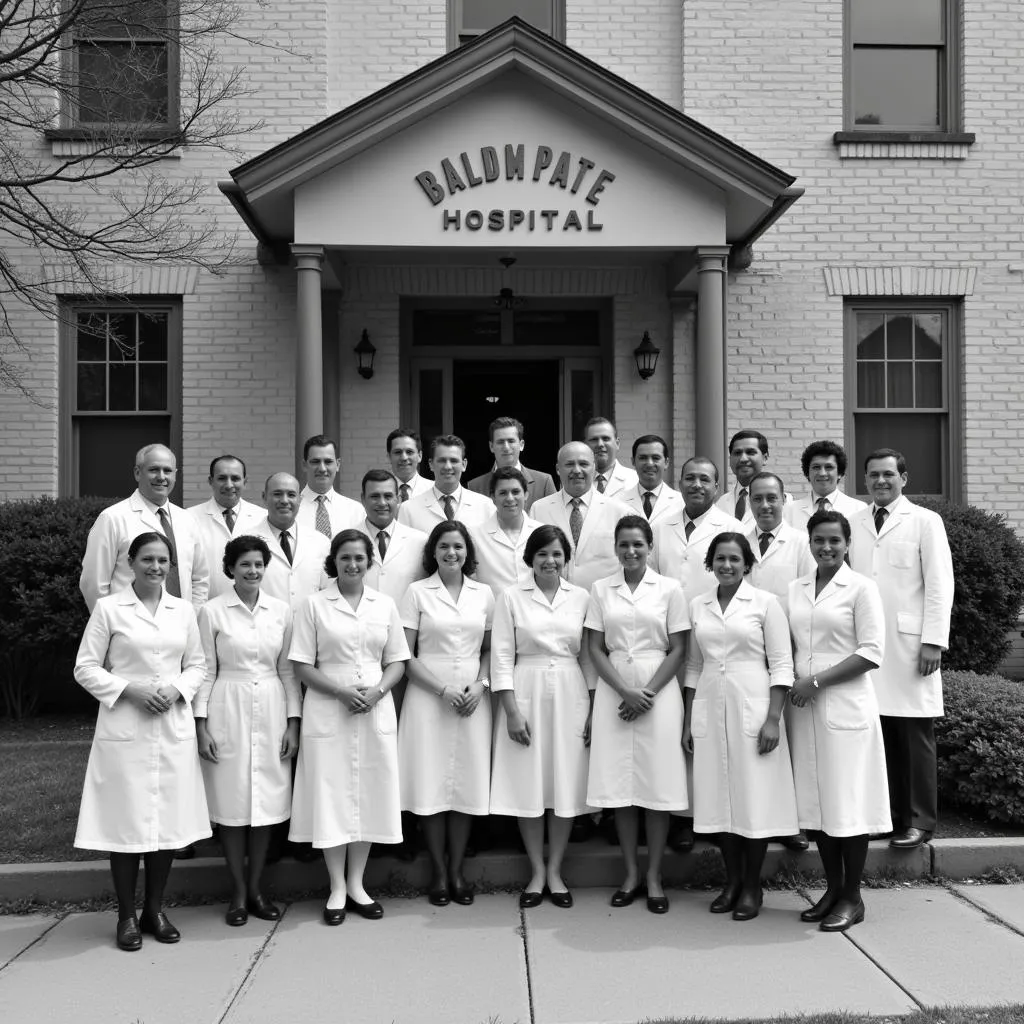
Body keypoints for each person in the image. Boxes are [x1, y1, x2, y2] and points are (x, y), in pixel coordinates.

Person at [73, 532, 209, 951]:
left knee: (167, 823)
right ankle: (126, 916)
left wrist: (178, 689)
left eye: (163, 560)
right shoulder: (110, 609)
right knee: (126, 822)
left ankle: (155, 909)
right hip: (125, 726)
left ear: (171, 565)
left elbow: (198, 664)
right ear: (130, 562)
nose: (156, 567)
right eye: (147, 559)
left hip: (171, 726)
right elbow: (85, 667)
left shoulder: (182, 610)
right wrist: (129, 690)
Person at [288, 530, 410, 925]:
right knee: (333, 794)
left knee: (369, 793)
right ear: (333, 562)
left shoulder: (384, 604)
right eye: (345, 558)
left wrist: (376, 692)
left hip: (375, 706)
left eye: (359, 557)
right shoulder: (313, 605)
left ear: (369, 561)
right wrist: (341, 692)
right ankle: (336, 886)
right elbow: (302, 664)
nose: (353, 564)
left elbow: (397, 661)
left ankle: (357, 884)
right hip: (329, 706)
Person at [682, 531, 798, 921]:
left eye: (734, 559)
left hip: (753, 701)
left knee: (753, 797)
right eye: (719, 559)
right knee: (718, 797)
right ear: (710, 564)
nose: (727, 565)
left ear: (747, 564)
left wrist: (772, 719)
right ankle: (730, 882)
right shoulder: (697, 605)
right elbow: (694, 666)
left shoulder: (766, 604)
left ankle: (752, 886)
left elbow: (782, 665)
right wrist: (688, 719)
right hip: (710, 703)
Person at [788, 510, 889, 932]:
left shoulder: (862, 588)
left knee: (847, 804)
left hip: (844, 705)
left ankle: (853, 897)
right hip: (805, 709)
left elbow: (871, 652)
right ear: (808, 543)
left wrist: (816, 680)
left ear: (848, 544)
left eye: (834, 540)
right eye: (818, 540)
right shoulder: (794, 589)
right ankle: (832, 890)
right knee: (820, 804)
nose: (826, 547)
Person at [848, 449, 953, 850]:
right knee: (879, 734)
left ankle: (919, 821)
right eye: (873, 475)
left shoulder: (926, 521)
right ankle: (888, 817)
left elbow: (940, 584)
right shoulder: (856, 522)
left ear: (903, 478)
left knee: (914, 733)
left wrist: (933, 641)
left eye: (888, 474)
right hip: (868, 646)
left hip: (911, 647)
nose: (880, 481)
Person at [195, 535, 301, 927]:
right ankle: (238, 892)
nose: (253, 571)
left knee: (266, 805)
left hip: (272, 705)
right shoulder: (212, 612)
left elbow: (289, 671)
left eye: (258, 564)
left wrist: (293, 723)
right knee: (233, 804)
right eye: (245, 565)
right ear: (231, 569)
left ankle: (257, 889)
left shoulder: (281, 611)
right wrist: (201, 725)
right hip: (229, 706)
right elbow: (206, 670)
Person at [585, 515, 689, 914]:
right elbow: (595, 648)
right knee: (623, 791)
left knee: (655, 788)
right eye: (624, 545)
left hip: (658, 692)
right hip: (615, 691)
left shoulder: (670, 589)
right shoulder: (600, 589)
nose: (630, 551)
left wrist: (646, 693)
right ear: (615, 548)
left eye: (638, 545)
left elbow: (679, 648)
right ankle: (630, 873)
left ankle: (654, 876)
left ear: (649, 547)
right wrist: (624, 691)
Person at [490, 525, 595, 909]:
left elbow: (587, 655)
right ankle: (536, 871)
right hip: (527, 688)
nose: (550, 561)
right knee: (530, 783)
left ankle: (556, 870)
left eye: (557, 555)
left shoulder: (581, 597)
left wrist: (593, 708)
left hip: (570, 690)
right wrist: (511, 710)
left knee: (563, 783)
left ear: (566, 558)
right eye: (542, 555)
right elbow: (501, 656)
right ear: (530, 559)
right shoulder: (511, 597)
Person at [398, 521, 494, 906]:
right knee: (432, 784)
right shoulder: (416, 592)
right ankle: (438, 872)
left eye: (458, 546)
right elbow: (404, 655)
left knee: (464, 786)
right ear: (432, 553)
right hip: (428, 699)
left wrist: (480, 684)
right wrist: (442, 689)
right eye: (443, 547)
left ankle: (457, 871)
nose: (451, 553)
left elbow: (489, 649)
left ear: (468, 552)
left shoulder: (484, 594)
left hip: (472, 700)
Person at [80, 443, 208, 612]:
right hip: (129, 626)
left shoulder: (187, 519)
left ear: (175, 475)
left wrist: (194, 615)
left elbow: (199, 578)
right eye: (154, 469)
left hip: (181, 626)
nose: (161, 477)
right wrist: (112, 623)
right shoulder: (112, 518)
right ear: (137, 473)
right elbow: (94, 584)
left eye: (168, 471)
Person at [531, 442, 631, 592]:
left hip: (604, 601)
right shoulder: (539, 509)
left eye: (583, 464)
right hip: (555, 602)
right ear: (558, 469)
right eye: (569, 464)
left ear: (594, 467)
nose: (577, 470)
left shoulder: (619, 512)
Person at [651, 457, 743, 601]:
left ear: (716, 488)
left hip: (713, 616)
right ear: (680, 485)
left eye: (705, 479)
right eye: (690, 478)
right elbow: (650, 577)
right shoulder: (659, 528)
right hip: (667, 615)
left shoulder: (733, 529)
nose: (696, 485)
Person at [188, 455, 264, 600]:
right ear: (211, 481)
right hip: (207, 609)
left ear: (245, 481)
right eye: (222, 478)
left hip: (253, 609)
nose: (229, 485)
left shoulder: (262, 517)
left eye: (235, 478)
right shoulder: (189, 518)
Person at [252, 473, 330, 613]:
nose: (284, 500)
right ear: (264, 497)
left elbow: (328, 591)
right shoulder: (247, 541)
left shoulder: (320, 542)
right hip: (265, 628)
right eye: (277, 494)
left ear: (300, 499)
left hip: (309, 628)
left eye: (291, 495)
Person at [354, 469, 428, 606]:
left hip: (404, 625)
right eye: (375, 496)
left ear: (398, 499)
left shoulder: (420, 541)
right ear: (363, 499)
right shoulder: (346, 541)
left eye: (388, 496)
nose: (382, 503)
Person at [745, 472, 815, 615]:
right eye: (757, 499)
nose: (764, 505)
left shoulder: (803, 543)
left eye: (771, 498)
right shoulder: (741, 543)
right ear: (749, 501)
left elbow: (809, 595)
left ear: (783, 500)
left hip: (787, 631)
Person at [470, 467, 541, 598]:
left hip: (534, 613)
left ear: (526, 494)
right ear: (492, 497)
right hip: (494, 614)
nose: (510, 498)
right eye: (503, 493)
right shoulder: (475, 536)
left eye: (515, 492)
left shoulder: (540, 532)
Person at [399, 434, 493, 533]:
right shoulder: (408, 509)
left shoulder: (485, 506)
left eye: (454, 461)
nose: (448, 466)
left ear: (464, 464)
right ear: (431, 464)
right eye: (442, 460)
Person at [467, 416, 556, 512]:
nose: (506, 447)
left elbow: (553, 521)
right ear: (491, 446)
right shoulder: (474, 486)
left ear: (521, 445)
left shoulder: (544, 482)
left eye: (511, 441)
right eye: (500, 442)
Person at [715, 430, 791, 528]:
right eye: (737, 453)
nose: (743, 459)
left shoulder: (786, 503)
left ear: (765, 458)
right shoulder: (720, 504)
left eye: (750, 452)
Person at [784, 440, 867, 529]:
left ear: (839, 473)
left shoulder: (858, 508)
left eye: (829, 467)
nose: (822, 473)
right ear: (807, 473)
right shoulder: (789, 510)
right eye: (816, 467)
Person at [295, 434, 363, 539]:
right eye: (315, 462)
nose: (322, 468)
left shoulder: (355, 511)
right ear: (304, 465)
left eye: (328, 462)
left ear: (338, 464)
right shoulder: (291, 510)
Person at [620, 434, 683, 527]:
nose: (649, 463)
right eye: (643, 458)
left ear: (666, 463)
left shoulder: (681, 502)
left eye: (655, 458)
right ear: (633, 461)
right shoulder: (619, 502)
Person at [582, 417, 638, 497]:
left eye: (606, 439)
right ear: (585, 445)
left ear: (617, 444)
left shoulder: (635, 480)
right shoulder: (575, 481)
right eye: (594, 439)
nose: (600, 444)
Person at [387, 428, 433, 503]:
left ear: (420, 456)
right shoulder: (381, 491)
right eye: (398, 452)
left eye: (409, 452)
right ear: (389, 457)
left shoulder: (434, 490)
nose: (404, 458)